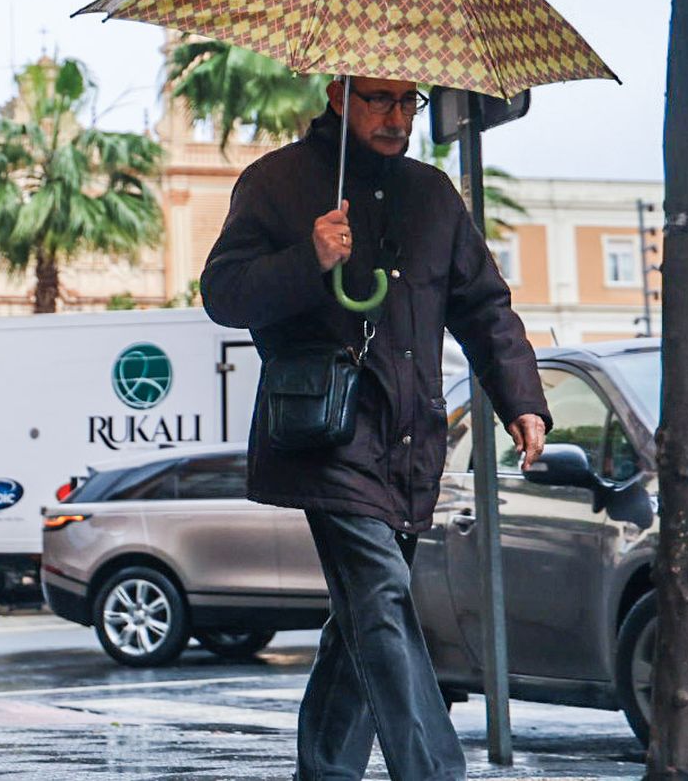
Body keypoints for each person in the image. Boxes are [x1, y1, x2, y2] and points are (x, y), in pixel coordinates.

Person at [202, 77, 549, 781]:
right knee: (383, 596)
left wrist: (523, 398)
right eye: (379, 100)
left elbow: (483, 307)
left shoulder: (432, 196)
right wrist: (310, 258)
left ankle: (325, 771)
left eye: (407, 102)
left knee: (361, 619)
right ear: (339, 93)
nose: (396, 117)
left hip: (409, 441)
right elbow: (223, 295)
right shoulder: (277, 183)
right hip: (325, 435)